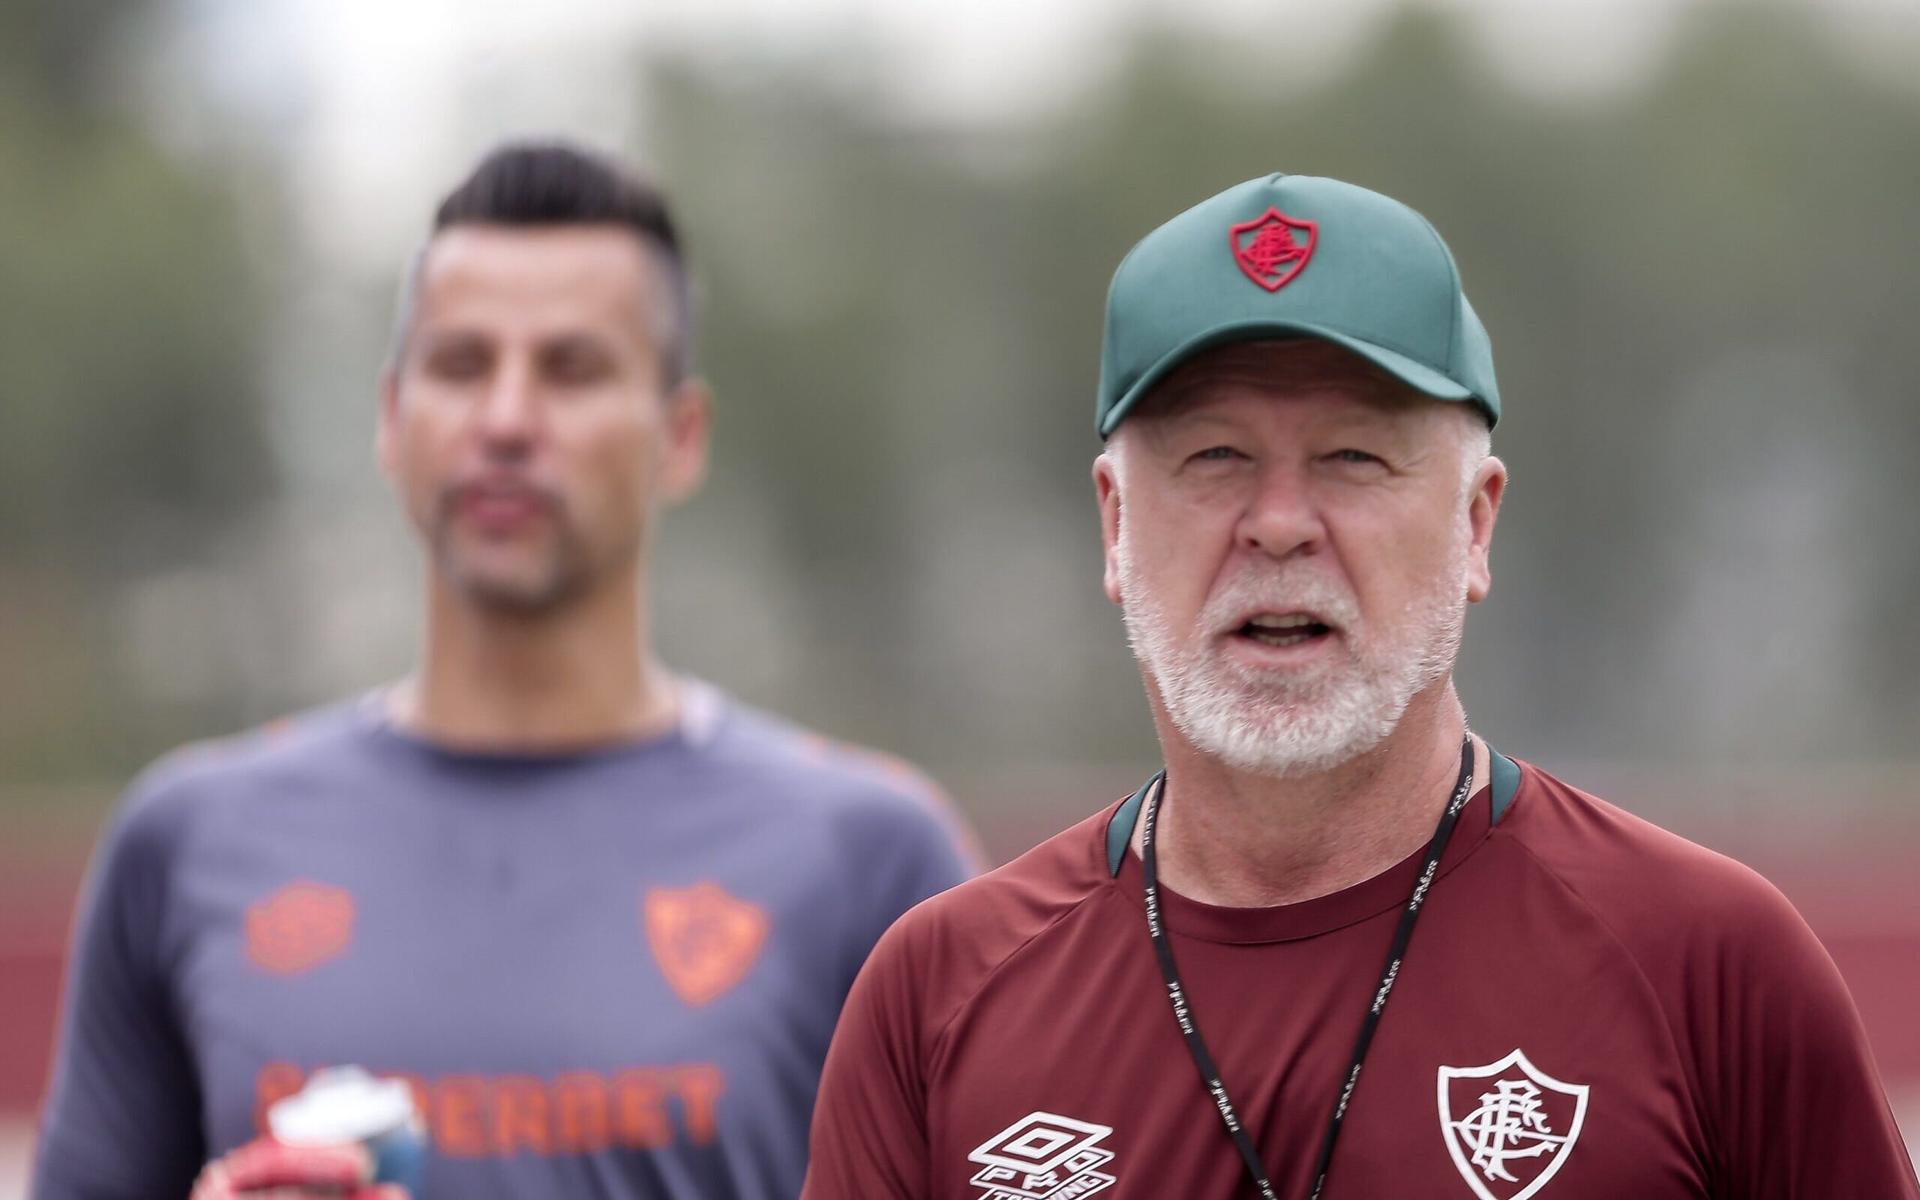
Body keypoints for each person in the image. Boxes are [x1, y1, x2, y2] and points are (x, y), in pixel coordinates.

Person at [802, 174, 1919, 1198]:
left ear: (1476, 525)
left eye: (1353, 458)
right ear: (1114, 522)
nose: (1280, 525)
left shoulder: (1710, 969)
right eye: (1214, 459)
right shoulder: (937, 1001)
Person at [32, 140, 978, 1200]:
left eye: (571, 369)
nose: (506, 420)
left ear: (680, 436)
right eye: (460, 365)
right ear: (392, 420)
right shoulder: (186, 844)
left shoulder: (872, 863)